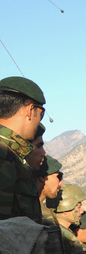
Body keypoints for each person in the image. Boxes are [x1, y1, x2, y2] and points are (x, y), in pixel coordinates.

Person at [0, 76, 47, 223]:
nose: (39, 120)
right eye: (41, 114)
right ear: (30, 109)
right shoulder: (5, 155)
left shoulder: (13, 154)